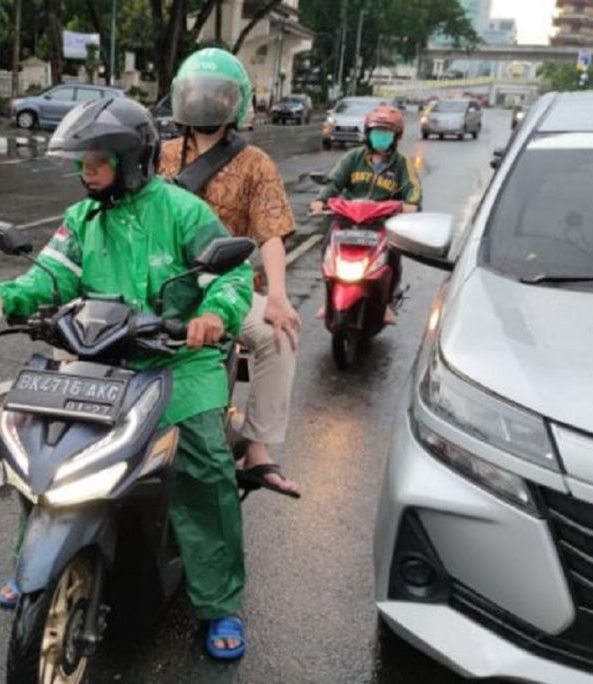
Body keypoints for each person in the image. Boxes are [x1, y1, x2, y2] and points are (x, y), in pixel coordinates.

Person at [0, 97, 254, 660]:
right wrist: (4, 300)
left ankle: (218, 602)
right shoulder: (81, 219)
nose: (84, 170)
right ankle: (33, 560)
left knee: (204, 462)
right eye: (81, 160)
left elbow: (233, 276)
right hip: (100, 359)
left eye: (96, 159)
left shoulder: (182, 212)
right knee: (43, 450)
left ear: (131, 158)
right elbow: (50, 276)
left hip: (177, 361)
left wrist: (214, 315)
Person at [158, 48, 301, 498]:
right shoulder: (158, 156)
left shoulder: (255, 162)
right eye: (197, 93)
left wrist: (277, 295)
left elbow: (271, 233)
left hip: (226, 286)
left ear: (234, 104)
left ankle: (257, 448)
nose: (205, 103)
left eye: (215, 95)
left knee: (278, 336)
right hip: (160, 282)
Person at [308, 104, 422, 324]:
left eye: (386, 134)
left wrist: (412, 203)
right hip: (348, 219)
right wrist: (320, 200)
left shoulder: (402, 164)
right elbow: (334, 181)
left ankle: (387, 303)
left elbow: (413, 187)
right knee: (328, 250)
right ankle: (329, 299)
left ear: (396, 137)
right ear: (368, 134)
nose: (381, 137)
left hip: (382, 223)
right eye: (377, 132)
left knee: (394, 255)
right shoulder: (353, 158)